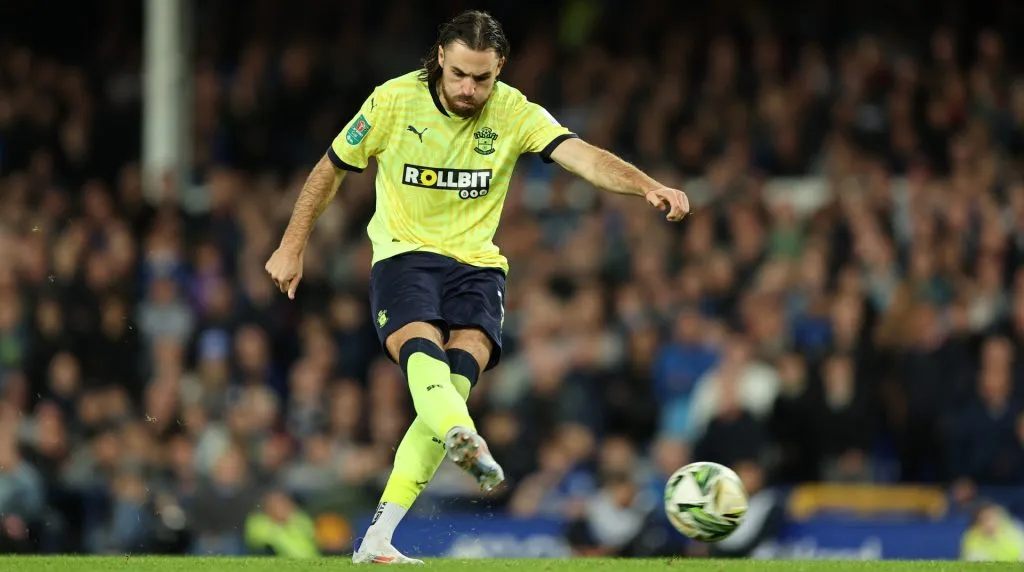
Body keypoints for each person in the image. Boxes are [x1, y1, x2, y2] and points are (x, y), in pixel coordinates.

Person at [265, 9, 690, 565]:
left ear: (499, 69)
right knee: (425, 360)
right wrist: (292, 244)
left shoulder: (513, 111)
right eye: (460, 74)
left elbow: (581, 156)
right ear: (440, 57)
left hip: (478, 269)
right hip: (406, 257)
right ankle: (464, 435)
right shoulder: (392, 101)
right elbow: (332, 167)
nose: (469, 89)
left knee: (447, 395)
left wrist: (647, 186)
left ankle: (377, 538)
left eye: (482, 78)